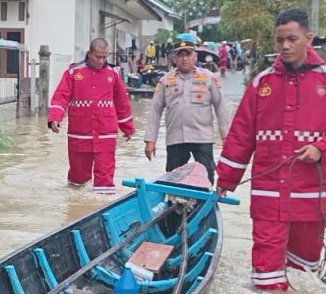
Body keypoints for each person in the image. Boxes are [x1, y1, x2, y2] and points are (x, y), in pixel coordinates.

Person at [215, 9, 326, 291]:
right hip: (269, 191)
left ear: (308, 38)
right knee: (265, 278)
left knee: (304, 274)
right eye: (279, 40)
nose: (284, 46)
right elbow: (240, 136)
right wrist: (225, 179)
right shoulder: (262, 84)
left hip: (312, 191)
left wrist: (322, 147)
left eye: (292, 39)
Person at [48, 38, 134, 193]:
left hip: (105, 134)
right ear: (89, 53)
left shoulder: (113, 74)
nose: (101, 61)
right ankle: (76, 209)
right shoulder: (74, 72)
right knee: (77, 180)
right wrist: (55, 117)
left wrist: (127, 127)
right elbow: (61, 95)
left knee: (105, 178)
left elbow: (122, 102)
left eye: (104, 57)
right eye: (97, 57)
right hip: (80, 133)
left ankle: (102, 209)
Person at [143, 35, 230, 183]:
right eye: (180, 55)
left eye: (188, 54)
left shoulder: (208, 78)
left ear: (195, 56)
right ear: (174, 58)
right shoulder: (165, 80)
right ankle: (174, 204)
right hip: (176, 138)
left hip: (202, 138)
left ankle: (206, 205)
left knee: (206, 178)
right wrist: (150, 140)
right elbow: (155, 111)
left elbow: (221, 107)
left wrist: (226, 137)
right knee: (173, 179)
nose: (184, 59)